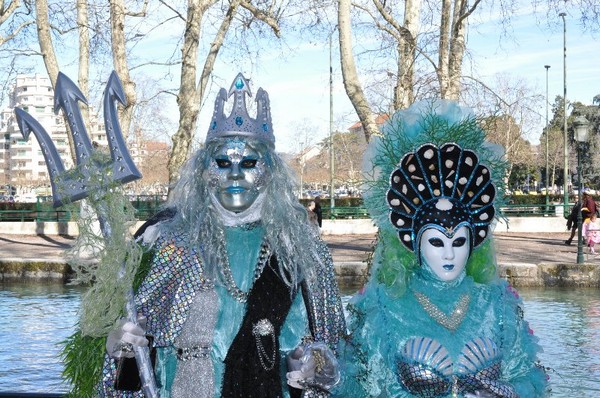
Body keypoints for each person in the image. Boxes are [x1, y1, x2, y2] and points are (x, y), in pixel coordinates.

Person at [66, 73, 346, 397]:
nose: (235, 174)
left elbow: (332, 351)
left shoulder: (301, 250)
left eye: (250, 162)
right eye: (222, 162)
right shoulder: (169, 239)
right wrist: (121, 350)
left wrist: (317, 366)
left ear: (270, 169)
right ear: (203, 170)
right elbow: (136, 353)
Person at [334, 100, 548, 397]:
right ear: (414, 243)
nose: (449, 254)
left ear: (474, 243)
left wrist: (508, 392)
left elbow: (530, 378)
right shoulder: (382, 308)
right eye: (436, 241)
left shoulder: (498, 305)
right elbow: (359, 387)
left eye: (459, 241)